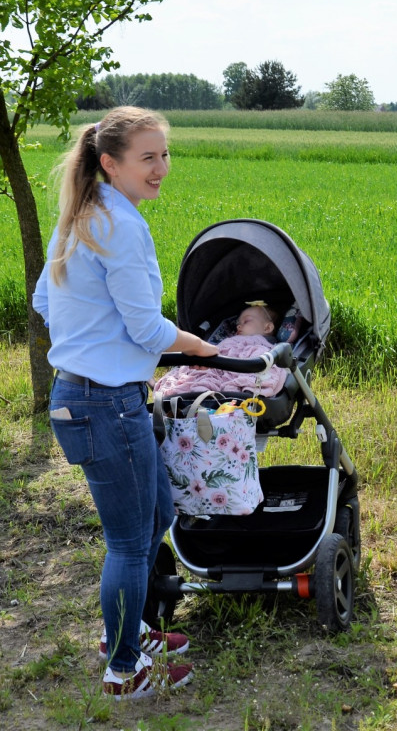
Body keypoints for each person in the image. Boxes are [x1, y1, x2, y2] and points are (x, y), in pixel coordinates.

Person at [32, 106, 219, 699]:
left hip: (87, 396)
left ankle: (129, 631)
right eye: (148, 158)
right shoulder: (119, 224)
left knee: (157, 514)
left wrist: (91, 337)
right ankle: (123, 670)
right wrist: (203, 349)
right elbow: (147, 330)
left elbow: (44, 301)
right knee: (131, 542)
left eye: (165, 154)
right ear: (111, 163)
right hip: (106, 403)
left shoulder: (83, 214)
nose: (161, 167)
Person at [153, 301, 288, 397]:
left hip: (236, 371)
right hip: (211, 365)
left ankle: (201, 397)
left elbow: (265, 367)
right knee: (195, 376)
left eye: (246, 321)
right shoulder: (229, 341)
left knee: (208, 383)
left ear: (267, 327)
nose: (238, 326)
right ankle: (191, 394)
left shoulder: (263, 347)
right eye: (238, 323)